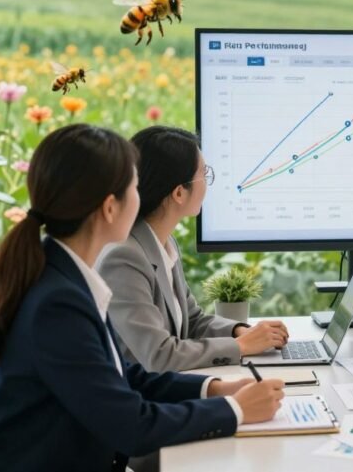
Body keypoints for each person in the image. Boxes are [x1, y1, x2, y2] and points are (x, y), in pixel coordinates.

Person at [0, 124, 284, 472]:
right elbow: (131, 426)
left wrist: (214, 389)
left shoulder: (64, 277)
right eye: (134, 187)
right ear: (109, 208)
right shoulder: (56, 305)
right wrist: (236, 410)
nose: (142, 196)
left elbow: (122, 376)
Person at [98, 126, 288, 372]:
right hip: (144, 399)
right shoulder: (124, 257)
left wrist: (238, 331)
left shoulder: (162, 242)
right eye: (204, 174)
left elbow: (193, 321)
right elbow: (159, 356)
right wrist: (241, 346)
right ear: (179, 192)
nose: (207, 183)